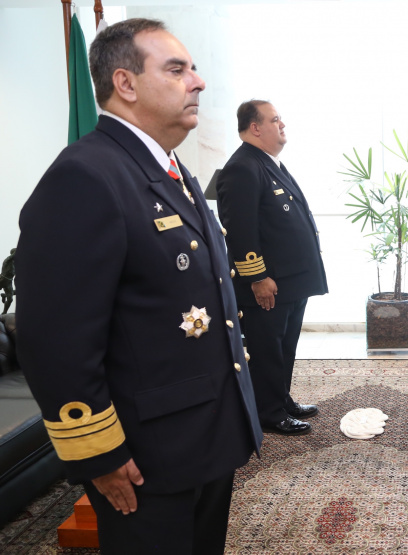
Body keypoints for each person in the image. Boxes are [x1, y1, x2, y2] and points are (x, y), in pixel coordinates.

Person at [15, 19, 262, 552]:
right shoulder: (86, 175)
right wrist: (97, 455)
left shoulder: (167, 167)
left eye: (194, 69)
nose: (197, 82)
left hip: (200, 437)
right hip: (146, 459)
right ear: (125, 84)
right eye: (176, 69)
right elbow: (55, 339)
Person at [216, 100, 327, 436]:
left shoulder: (269, 164)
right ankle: (270, 413)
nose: (282, 125)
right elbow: (240, 230)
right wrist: (258, 278)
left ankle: (282, 400)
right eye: (275, 120)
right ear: (255, 128)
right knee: (267, 348)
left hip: (290, 281)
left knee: (284, 345)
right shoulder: (243, 168)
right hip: (268, 284)